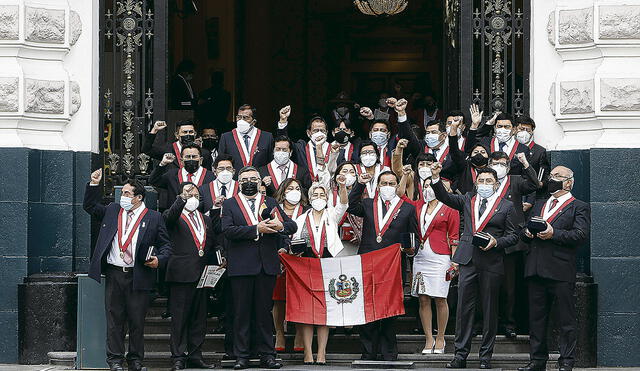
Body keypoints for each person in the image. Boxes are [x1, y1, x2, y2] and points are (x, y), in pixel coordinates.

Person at [430, 164, 519, 369]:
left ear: (496, 184)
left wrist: (496, 242)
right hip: (468, 260)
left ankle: (485, 356)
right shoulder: (467, 200)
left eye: (489, 181)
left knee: (489, 309)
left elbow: (514, 235)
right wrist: (435, 178)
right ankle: (460, 355)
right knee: (464, 309)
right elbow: (444, 197)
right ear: (476, 183)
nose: (485, 184)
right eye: (481, 181)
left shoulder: (506, 206)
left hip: (491, 260)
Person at [83, 170, 172, 371]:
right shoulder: (113, 210)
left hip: (139, 274)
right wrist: (94, 185)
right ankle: (115, 360)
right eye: (122, 193)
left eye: (126, 193)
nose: (122, 197)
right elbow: (89, 206)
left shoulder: (154, 217)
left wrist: (160, 259)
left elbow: (166, 245)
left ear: (139, 198)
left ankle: (135, 360)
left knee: (137, 320)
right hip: (115, 273)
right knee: (114, 320)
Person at [221, 166, 297, 370]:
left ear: (260, 182)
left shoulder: (271, 202)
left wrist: (280, 226)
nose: (249, 182)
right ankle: (241, 356)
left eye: (253, 179)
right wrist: (256, 229)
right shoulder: (229, 204)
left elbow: (292, 226)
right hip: (241, 267)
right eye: (245, 179)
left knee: (264, 313)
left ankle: (267, 355)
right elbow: (227, 230)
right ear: (238, 182)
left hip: (266, 266)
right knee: (241, 313)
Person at [518, 166, 590, 371]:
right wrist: (528, 233)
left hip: (560, 270)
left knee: (565, 319)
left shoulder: (579, 206)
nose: (552, 179)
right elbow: (524, 231)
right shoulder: (540, 204)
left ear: (569, 182)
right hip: (535, 268)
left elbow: (580, 236)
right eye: (551, 176)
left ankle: (566, 361)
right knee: (536, 318)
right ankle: (537, 360)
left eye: (558, 176)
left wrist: (553, 233)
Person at [347, 170, 419, 361]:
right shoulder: (368, 204)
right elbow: (351, 206)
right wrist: (360, 184)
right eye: (384, 183)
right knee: (368, 306)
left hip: (393, 266)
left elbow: (415, 237)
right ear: (378, 186)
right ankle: (368, 350)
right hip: (368, 263)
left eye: (391, 183)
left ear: (397, 186)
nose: (387, 187)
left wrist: (411, 249)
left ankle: (388, 351)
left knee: (390, 307)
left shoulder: (407, 209)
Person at [291, 180, 349, 365]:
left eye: (322, 195)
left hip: (328, 267)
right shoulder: (300, 219)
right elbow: (293, 242)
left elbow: (343, 204)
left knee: (325, 312)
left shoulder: (332, 215)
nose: (318, 198)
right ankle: (308, 352)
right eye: (315, 195)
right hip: (305, 268)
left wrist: (341, 187)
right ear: (309, 198)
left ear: (327, 197)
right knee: (307, 311)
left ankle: (322, 352)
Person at [163, 182, 220, 370]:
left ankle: (196, 354)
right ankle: (178, 356)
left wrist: (219, 257)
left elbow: (210, 244)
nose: (192, 197)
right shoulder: (174, 216)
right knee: (179, 318)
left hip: (202, 274)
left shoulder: (205, 219)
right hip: (181, 274)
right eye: (188, 193)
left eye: (195, 194)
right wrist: (181, 199)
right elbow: (168, 219)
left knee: (199, 318)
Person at [487, 151, 540, 338]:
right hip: (489, 240)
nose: (498, 166)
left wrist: (526, 164)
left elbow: (534, 184)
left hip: (511, 241)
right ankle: (486, 323)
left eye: (502, 163)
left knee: (509, 287)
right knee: (488, 287)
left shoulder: (515, 181)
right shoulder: (484, 181)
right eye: (494, 163)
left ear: (508, 167)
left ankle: (509, 324)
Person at [409, 177, 460, 354]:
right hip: (420, 257)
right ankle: (429, 338)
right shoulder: (417, 206)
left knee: (440, 298)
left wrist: (455, 261)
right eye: (425, 185)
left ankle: (441, 338)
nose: (428, 189)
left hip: (441, 257)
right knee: (423, 298)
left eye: (432, 186)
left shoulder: (450, 208)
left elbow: (454, 236)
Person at [271, 178, 308, 353]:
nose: (294, 191)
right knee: (278, 298)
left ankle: (300, 332)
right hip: (279, 259)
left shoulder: (307, 211)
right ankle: (279, 333)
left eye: (297, 188)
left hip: (302, 259)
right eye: (290, 188)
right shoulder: (274, 210)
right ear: (283, 191)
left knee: (301, 297)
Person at [396, 98, 458, 182]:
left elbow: (458, 175)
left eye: (433, 132)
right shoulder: (421, 147)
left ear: (443, 135)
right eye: (428, 132)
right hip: (420, 190)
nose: (429, 135)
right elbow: (409, 136)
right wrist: (402, 113)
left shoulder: (453, 151)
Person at [275, 109, 338, 182]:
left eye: (322, 131)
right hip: (305, 190)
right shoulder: (301, 148)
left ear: (326, 133)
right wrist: (283, 120)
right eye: (316, 130)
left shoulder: (334, 149)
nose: (319, 133)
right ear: (309, 133)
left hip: (327, 190)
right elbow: (283, 142)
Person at [466, 106, 530, 175]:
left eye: (507, 127)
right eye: (499, 126)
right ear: (495, 128)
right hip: (487, 182)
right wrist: (474, 125)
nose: (503, 129)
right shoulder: (486, 142)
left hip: (509, 184)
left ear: (514, 129)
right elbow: (469, 149)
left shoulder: (523, 149)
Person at [149, 144, 215, 203]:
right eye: (188, 157)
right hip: (176, 215)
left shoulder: (210, 177)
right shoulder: (172, 175)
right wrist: (163, 163)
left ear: (201, 160)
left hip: (200, 215)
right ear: (181, 161)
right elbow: (153, 181)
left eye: (194, 157)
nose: (191, 159)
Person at [218, 104, 275, 172]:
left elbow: (271, 162)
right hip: (235, 180)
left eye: (245, 118)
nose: (241, 121)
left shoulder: (266, 137)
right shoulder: (226, 137)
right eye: (239, 117)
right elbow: (221, 162)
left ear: (253, 122)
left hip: (259, 179)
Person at [142, 120, 214, 170]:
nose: (188, 134)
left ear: (195, 134)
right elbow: (146, 150)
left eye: (191, 132)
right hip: (173, 189)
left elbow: (207, 175)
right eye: (185, 132)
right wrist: (154, 130)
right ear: (177, 135)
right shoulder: (167, 150)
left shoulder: (204, 153)